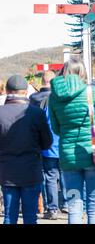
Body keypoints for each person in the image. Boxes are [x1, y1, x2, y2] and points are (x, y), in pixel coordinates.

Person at [48, 57, 95, 224]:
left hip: (68, 159)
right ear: (82, 72)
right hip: (93, 155)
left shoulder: (54, 97)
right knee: (93, 207)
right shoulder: (91, 92)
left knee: (74, 206)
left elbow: (56, 129)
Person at [0, 75, 53, 224]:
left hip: (7, 173)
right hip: (31, 171)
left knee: (9, 217)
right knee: (30, 217)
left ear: (7, 90)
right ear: (25, 92)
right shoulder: (36, 113)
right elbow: (47, 142)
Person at [30, 71, 68, 219]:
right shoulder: (62, 98)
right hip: (64, 143)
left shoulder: (34, 99)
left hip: (47, 145)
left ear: (42, 80)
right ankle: (67, 204)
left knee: (50, 177)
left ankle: (52, 208)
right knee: (66, 174)